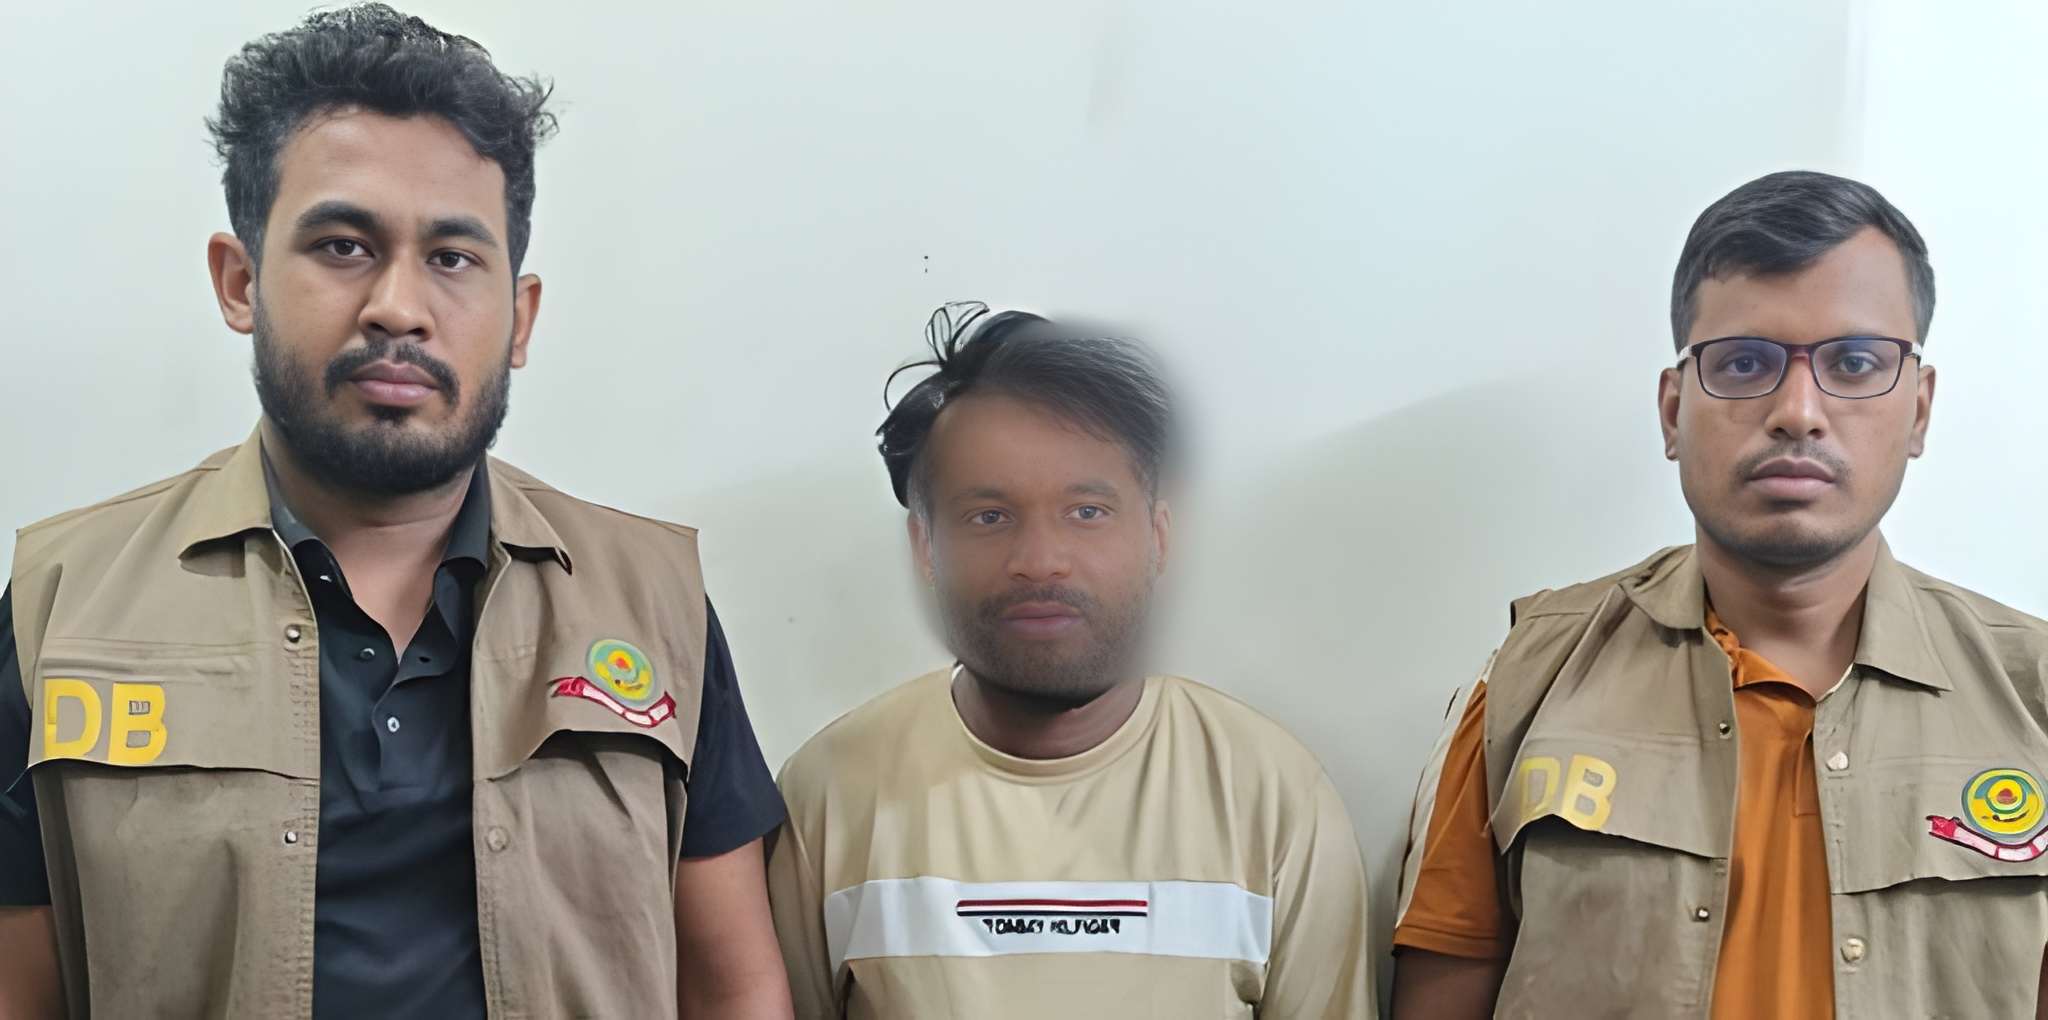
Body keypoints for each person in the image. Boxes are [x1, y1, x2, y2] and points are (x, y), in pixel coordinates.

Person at [0, 6, 792, 1018]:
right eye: (342, 246)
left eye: (453, 257)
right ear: (240, 281)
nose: (398, 307)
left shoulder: (651, 603)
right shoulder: (66, 606)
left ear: (520, 317)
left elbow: (733, 987)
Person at [1389, 170, 2048, 1019]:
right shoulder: (1529, 681)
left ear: (1918, 411)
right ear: (1673, 412)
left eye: (1854, 363)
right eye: (1743, 363)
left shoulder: (2031, 696)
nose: (1798, 412)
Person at [765, 301, 1376, 1019]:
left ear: (1157, 536)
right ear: (926, 546)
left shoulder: (1274, 796)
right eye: (989, 516)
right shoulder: (829, 794)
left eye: (1087, 511)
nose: (1041, 560)